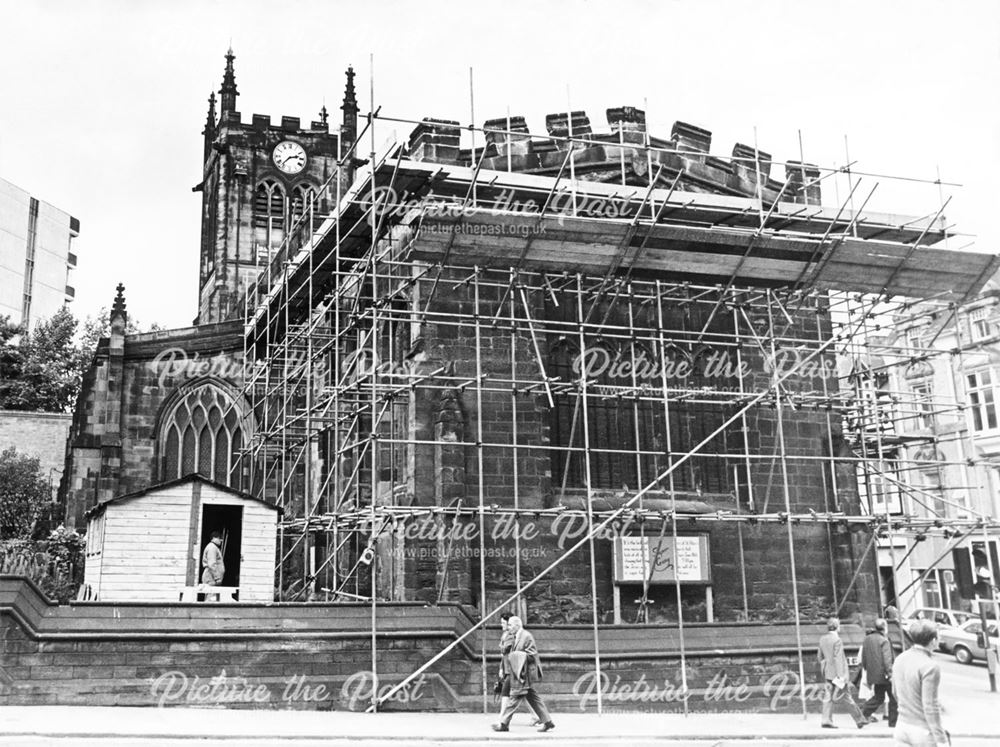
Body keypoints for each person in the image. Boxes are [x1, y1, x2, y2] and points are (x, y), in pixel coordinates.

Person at [492, 616, 555, 733]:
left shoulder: (526, 636)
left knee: (515, 696)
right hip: (520, 673)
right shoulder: (516, 636)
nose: (508, 627)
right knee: (533, 697)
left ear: (517, 625)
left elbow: (532, 655)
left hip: (524, 674)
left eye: (510, 625)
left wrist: (515, 655)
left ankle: (503, 723)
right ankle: (548, 722)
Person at [892, 619, 949, 747]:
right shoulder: (930, 666)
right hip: (922, 731)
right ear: (933, 641)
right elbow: (930, 706)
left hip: (901, 726)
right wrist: (941, 739)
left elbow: (895, 692)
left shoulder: (900, 658)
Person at [817, 617, 868, 730]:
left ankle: (826, 720)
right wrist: (841, 676)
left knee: (828, 696)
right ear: (837, 627)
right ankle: (859, 719)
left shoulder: (822, 639)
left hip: (828, 673)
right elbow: (838, 659)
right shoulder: (837, 640)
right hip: (838, 674)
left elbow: (820, 657)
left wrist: (825, 668)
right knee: (846, 697)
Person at [497, 613, 542, 726]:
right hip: (510, 668)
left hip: (514, 669)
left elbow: (506, 651)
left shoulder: (514, 636)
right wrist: (501, 668)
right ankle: (538, 717)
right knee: (525, 694)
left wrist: (502, 647)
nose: (503, 625)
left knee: (509, 694)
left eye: (504, 623)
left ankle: (502, 720)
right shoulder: (508, 635)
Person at [860, 618, 898, 726]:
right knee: (893, 698)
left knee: (879, 697)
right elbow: (887, 660)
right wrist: (890, 674)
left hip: (873, 674)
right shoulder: (884, 640)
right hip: (884, 675)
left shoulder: (867, 639)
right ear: (884, 627)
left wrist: (868, 670)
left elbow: (864, 658)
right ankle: (893, 722)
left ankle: (862, 714)